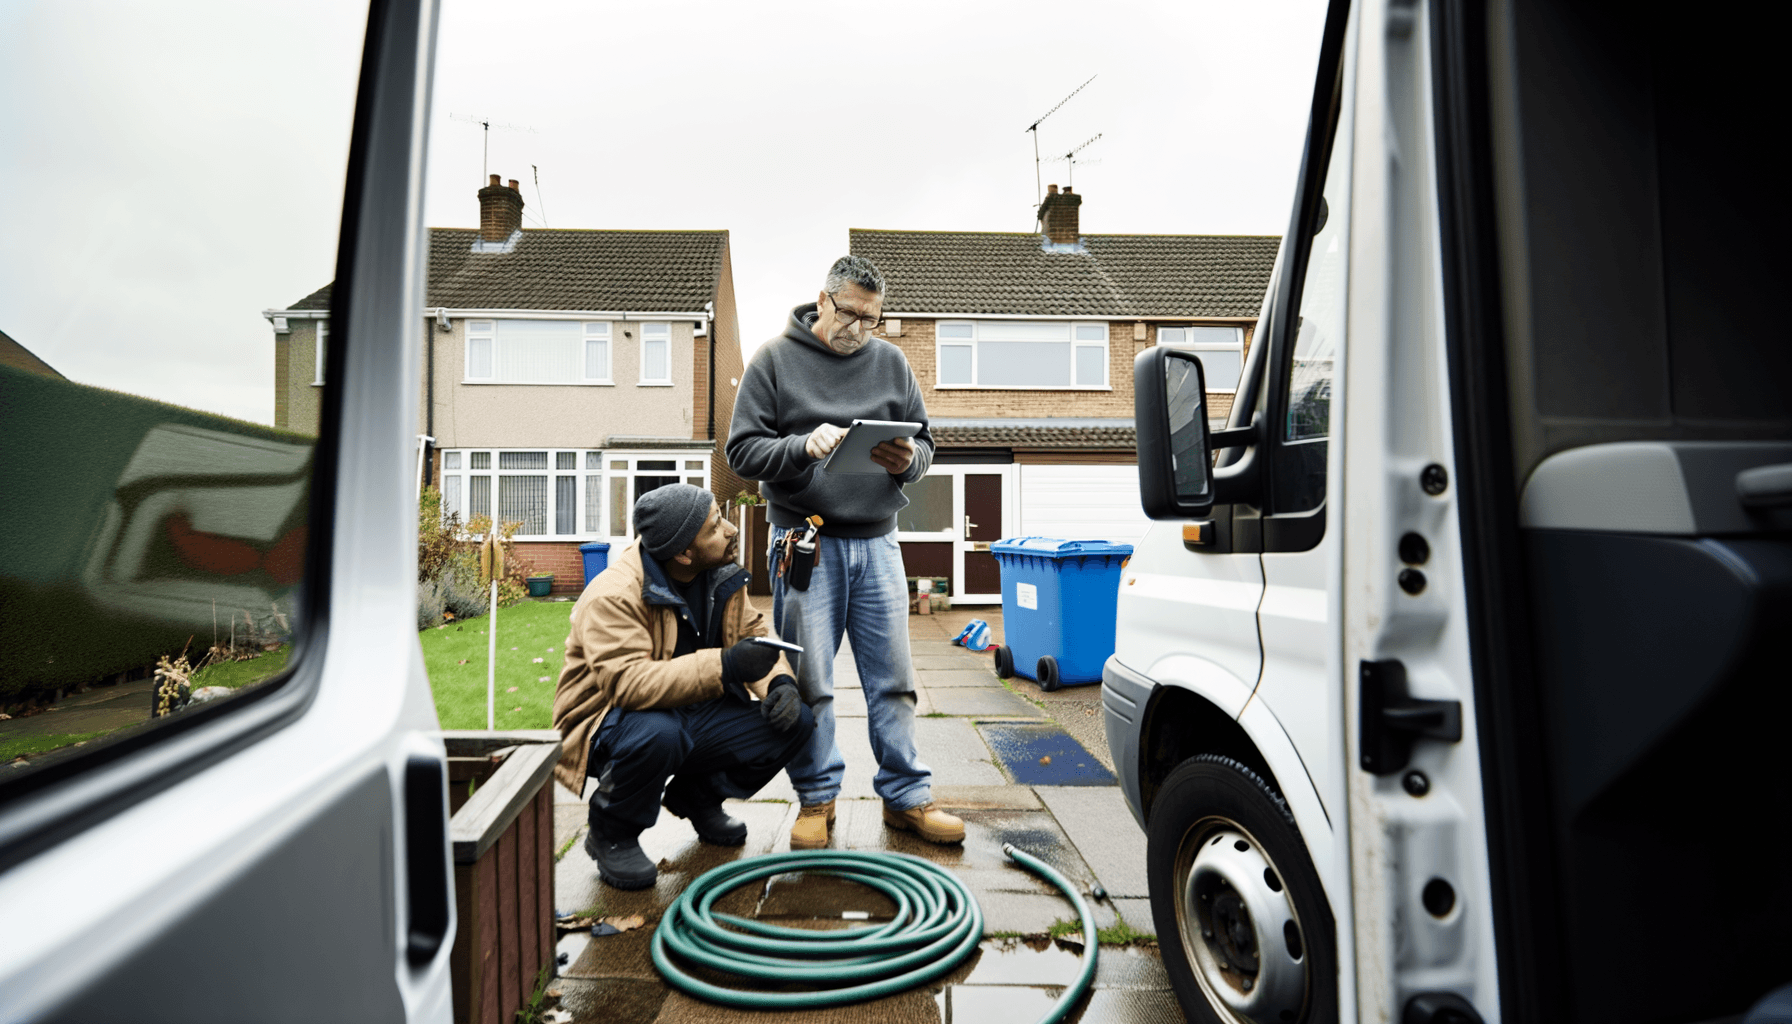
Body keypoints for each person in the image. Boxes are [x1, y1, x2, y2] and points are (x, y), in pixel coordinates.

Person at [725, 255, 965, 850]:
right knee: (812, 680)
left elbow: (927, 442)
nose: (859, 329)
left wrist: (911, 461)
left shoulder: (890, 362)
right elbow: (741, 453)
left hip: (879, 541)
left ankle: (907, 798)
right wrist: (802, 447)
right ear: (823, 300)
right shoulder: (773, 361)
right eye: (850, 313)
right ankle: (816, 800)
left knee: (894, 679)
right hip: (803, 540)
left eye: (872, 319)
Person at [551, 484, 812, 890]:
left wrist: (779, 682)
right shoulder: (613, 594)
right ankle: (612, 832)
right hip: (608, 721)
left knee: (793, 721)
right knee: (659, 734)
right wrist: (724, 664)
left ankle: (697, 797)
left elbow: (753, 634)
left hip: (690, 707)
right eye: (714, 528)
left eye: (722, 518)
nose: (730, 530)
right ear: (683, 553)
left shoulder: (721, 573)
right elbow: (628, 684)